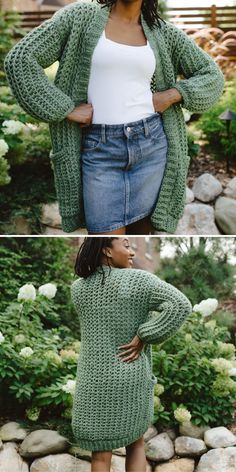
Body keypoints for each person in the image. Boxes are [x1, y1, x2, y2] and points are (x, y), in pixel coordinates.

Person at [4, 0, 225, 235]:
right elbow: (20, 59)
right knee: (104, 238)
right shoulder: (81, 16)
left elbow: (212, 76)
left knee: (141, 237)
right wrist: (66, 109)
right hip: (99, 151)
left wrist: (172, 95)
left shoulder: (161, 31)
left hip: (152, 147)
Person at [70, 237, 192, 471]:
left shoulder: (79, 289)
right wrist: (146, 335)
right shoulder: (138, 280)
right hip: (129, 372)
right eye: (126, 246)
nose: (132, 252)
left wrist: (143, 334)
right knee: (135, 444)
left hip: (92, 381)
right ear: (107, 250)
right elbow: (181, 305)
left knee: (100, 454)